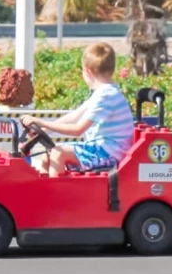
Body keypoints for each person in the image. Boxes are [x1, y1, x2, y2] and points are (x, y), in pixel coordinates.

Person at [21, 41, 134, 176]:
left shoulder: (107, 95)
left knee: (58, 154)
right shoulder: (104, 92)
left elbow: (78, 129)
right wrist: (43, 131)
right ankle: (42, 193)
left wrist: (42, 123)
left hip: (111, 154)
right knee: (49, 154)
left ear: (87, 71)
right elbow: (75, 116)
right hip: (103, 149)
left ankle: (56, 195)